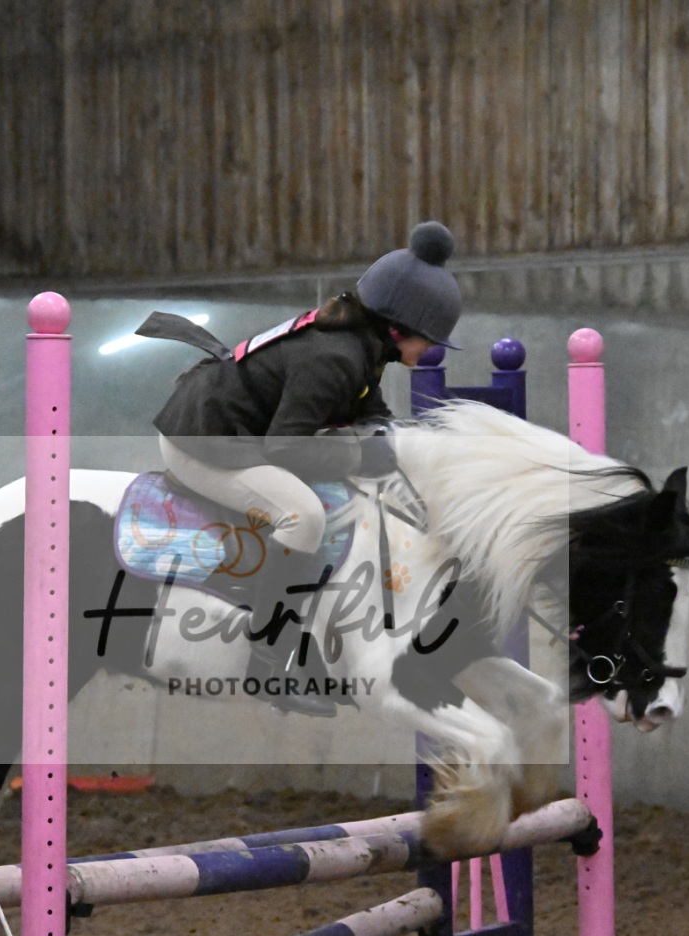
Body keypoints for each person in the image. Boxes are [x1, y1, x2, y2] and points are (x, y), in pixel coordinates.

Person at [140, 221, 463, 715]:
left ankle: (309, 646)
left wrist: (392, 438)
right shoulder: (336, 356)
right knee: (303, 516)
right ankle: (267, 664)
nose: (431, 350)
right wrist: (360, 455)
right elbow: (286, 449)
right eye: (430, 339)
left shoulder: (361, 346)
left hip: (235, 434)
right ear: (399, 328)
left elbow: (370, 410)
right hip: (201, 444)